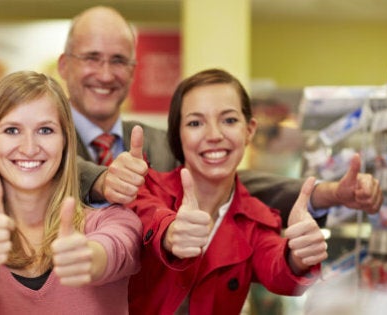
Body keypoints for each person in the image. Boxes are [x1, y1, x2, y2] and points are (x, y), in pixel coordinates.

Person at [61, 6, 382, 226]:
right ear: (64, 65)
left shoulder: (159, 145)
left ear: (133, 71)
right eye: (91, 58)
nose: (105, 74)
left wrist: (326, 193)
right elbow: (58, 172)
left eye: (118, 60)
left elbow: (232, 188)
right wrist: (103, 180)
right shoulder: (41, 140)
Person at [0, 71, 142, 314]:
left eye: (45, 130)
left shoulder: (115, 222)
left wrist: (86, 257)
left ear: (65, 141)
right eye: (11, 130)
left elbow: (115, 250)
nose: (29, 148)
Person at [127, 68, 328, 314]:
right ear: (178, 135)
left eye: (229, 120)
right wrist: (169, 231)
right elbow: (142, 215)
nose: (214, 135)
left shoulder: (257, 219)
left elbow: (277, 267)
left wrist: (298, 256)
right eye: (195, 123)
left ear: (250, 130)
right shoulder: (146, 188)